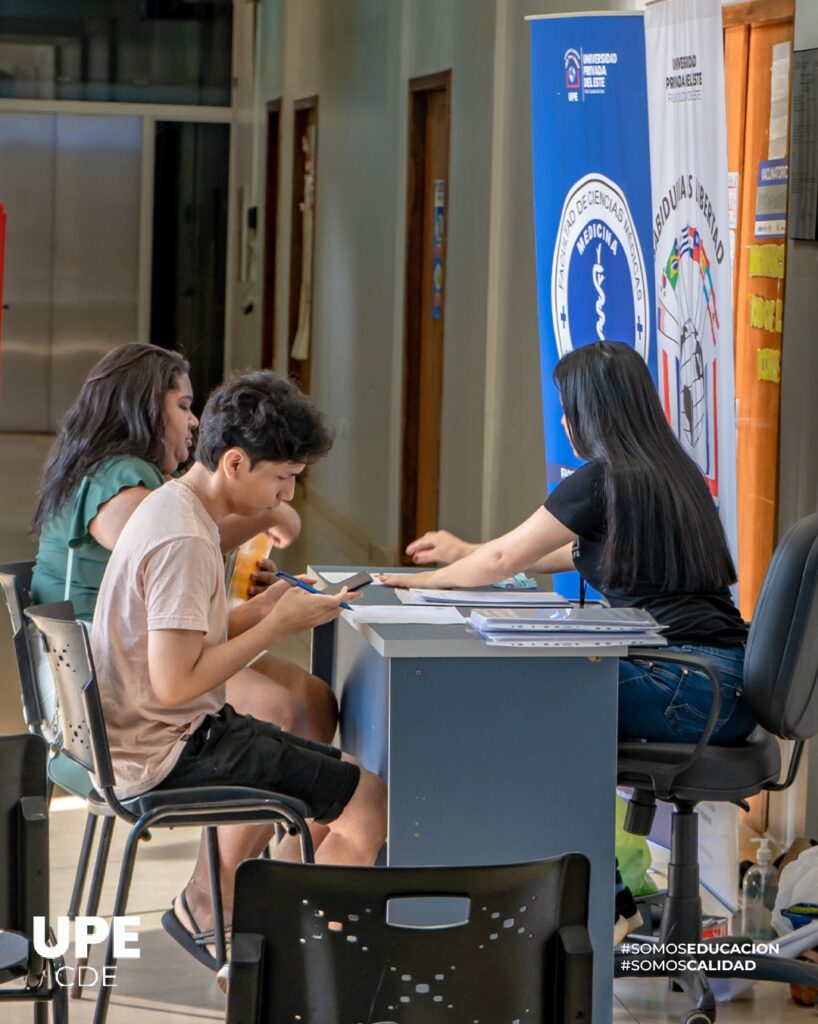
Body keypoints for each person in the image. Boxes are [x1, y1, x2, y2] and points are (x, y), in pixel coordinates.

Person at [380, 340, 757, 938]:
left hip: (688, 686)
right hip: (724, 684)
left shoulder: (603, 478)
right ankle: (606, 900)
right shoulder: (670, 473)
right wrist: (466, 554)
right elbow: (567, 549)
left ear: (591, 412)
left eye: (566, 408)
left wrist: (408, 581)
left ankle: (604, 905)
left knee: (535, 703)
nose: (562, 421)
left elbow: (507, 556)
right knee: (544, 696)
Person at [89, 369, 387, 968]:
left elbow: (188, 641)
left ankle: (265, 930)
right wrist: (277, 627)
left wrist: (266, 608)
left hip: (150, 737)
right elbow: (176, 683)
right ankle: (285, 964)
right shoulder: (184, 538)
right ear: (233, 464)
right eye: (283, 478)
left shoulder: (176, 505)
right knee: (370, 805)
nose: (288, 496)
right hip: (170, 749)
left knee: (340, 785)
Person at [31, 343, 336, 744]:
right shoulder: (122, 478)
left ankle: (294, 804)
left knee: (315, 700)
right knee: (285, 710)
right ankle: (266, 803)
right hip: (102, 673)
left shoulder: (136, 473)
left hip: (149, 647)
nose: (193, 422)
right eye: (183, 406)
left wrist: (258, 604)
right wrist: (267, 513)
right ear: (143, 409)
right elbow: (171, 550)